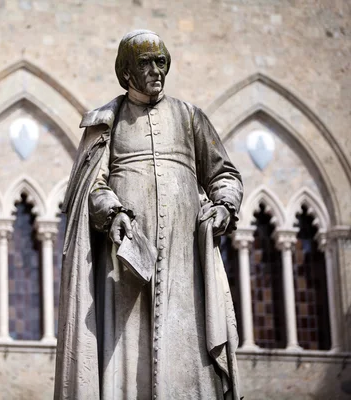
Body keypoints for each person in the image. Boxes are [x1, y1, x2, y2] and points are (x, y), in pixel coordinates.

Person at [54, 29, 243, 400]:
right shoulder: (106, 123)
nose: (157, 70)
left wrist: (224, 204)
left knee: (186, 346)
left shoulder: (191, 118)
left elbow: (224, 174)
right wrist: (112, 213)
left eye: (162, 61)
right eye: (146, 63)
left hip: (183, 260)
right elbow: (92, 185)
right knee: (126, 359)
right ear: (126, 72)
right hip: (126, 264)